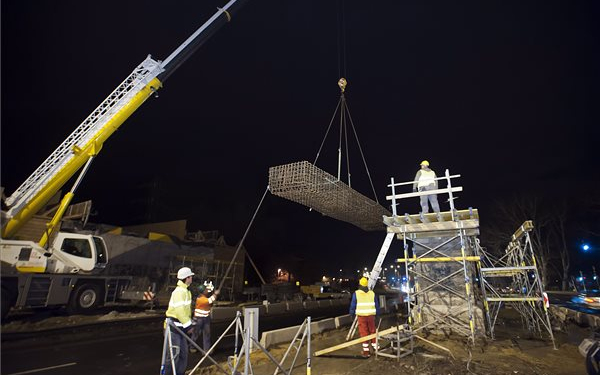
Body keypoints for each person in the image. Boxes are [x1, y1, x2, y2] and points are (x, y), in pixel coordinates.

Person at [164, 267, 195, 375]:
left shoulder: (186, 291)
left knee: (183, 355)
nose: (192, 279)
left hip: (181, 328)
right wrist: (189, 326)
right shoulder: (179, 292)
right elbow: (180, 311)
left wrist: (189, 322)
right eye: (191, 277)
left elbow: (186, 311)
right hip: (173, 328)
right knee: (173, 356)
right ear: (187, 278)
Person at [349, 277, 380, 358]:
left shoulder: (356, 293)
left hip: (361, 317)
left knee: (364, 333)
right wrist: (378, 314)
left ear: (360, 284)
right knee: (372, 331)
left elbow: (353, 305)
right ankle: (376, 348)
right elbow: (376, 305)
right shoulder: (372, 293)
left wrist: (351, 314)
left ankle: (366, 351)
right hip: (371, 316)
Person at [191, 283, 220, 353]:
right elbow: (210, 300)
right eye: (206, 290)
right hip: (199, 319)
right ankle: (192, 346)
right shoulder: (201, 299)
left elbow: (210, 301)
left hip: (205, 318)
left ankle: (206, 350)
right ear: (203, 291)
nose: (207, 290)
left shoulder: (203, 297)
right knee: (196, 333)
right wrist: (215, 294)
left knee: (207, 334)